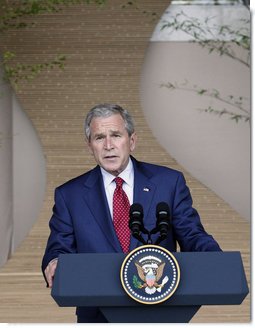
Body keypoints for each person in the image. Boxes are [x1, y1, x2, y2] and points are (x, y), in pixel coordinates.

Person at [42, 103, 221, 323]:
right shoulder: (69, 195)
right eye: (99, 138)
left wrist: (215, 259)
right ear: (90, 146)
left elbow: (192, 234)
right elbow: (59, 247)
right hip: (98, 317)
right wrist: (55, 261)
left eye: (116, 135)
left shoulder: (168, 183)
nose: (108, 145)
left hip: (161, 310)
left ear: (132, 141)